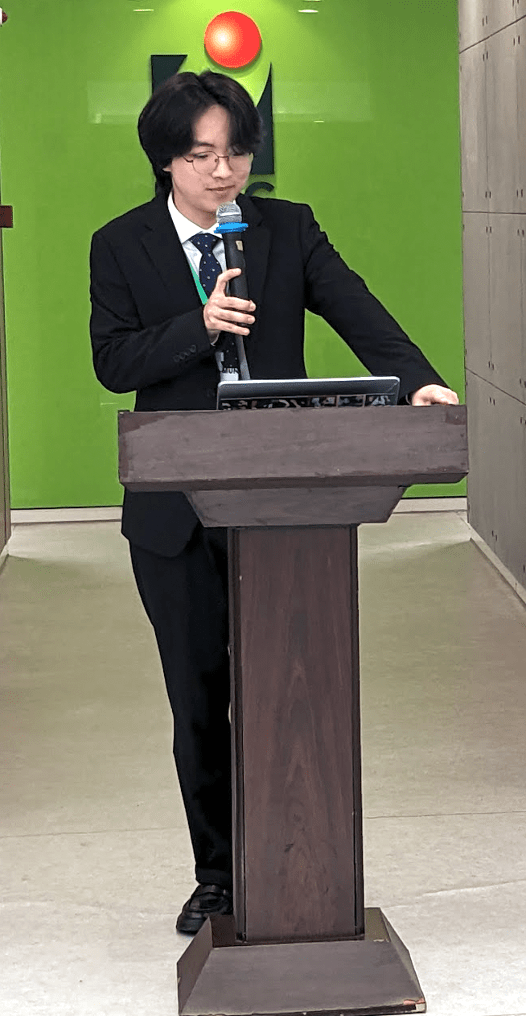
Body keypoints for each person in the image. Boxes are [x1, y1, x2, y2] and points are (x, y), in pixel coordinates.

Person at [89, 70, 459, 935]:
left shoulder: (286, 228)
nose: (223, 172)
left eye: (236, 153)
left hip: (286, 501)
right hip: (176, 514)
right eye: (201, 155)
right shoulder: (121, 243)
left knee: (295, 686)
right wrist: (201, 326)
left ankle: (301, 864)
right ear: (166, 160)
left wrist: (417, 380)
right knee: (199, 699)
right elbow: (114, 361)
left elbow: (355, 307)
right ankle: (218, 875)